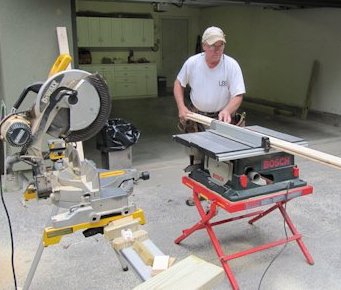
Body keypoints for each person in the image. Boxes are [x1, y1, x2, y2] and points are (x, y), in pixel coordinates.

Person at [173, 26, 246, 205]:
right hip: (197, 117)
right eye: (213, 46)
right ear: (204, 46)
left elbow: (238, 94)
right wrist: (182, 107)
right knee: (198, 158)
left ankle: (224, 193)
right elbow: (178, 84)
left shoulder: (231, 65)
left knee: (225, 158)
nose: (217, 50)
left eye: (220, 46)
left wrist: (228, 110)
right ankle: (199, 193)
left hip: (222, 119)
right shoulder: (192, 63)